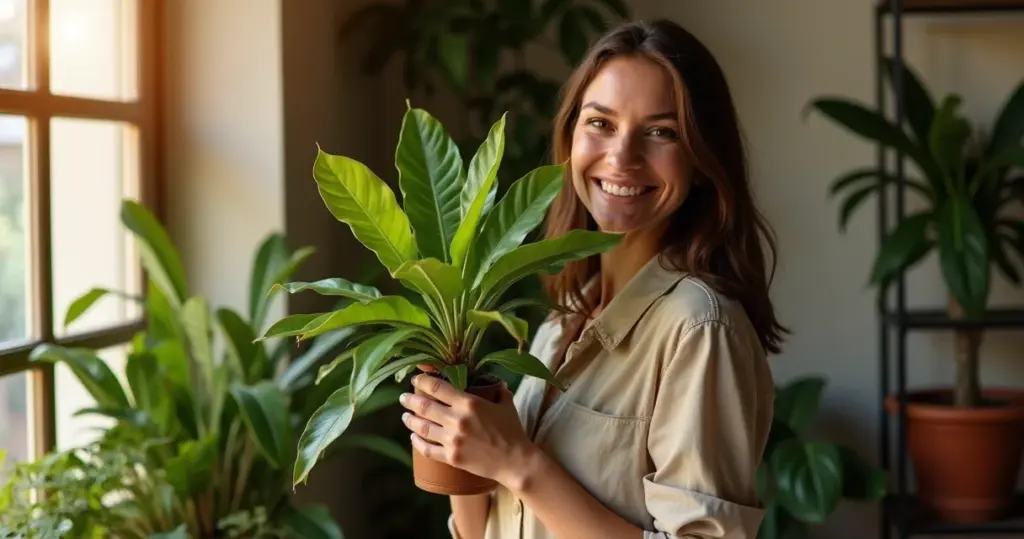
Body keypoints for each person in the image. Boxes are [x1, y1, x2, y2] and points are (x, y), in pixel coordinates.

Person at [397, 18, 786, 539]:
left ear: (701, 160)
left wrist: (518, 462)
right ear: (569, 141)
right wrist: (459, 443)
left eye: (661, 132)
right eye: (601, 123)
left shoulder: (698, 328)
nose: (622, 157)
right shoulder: (565, 317)